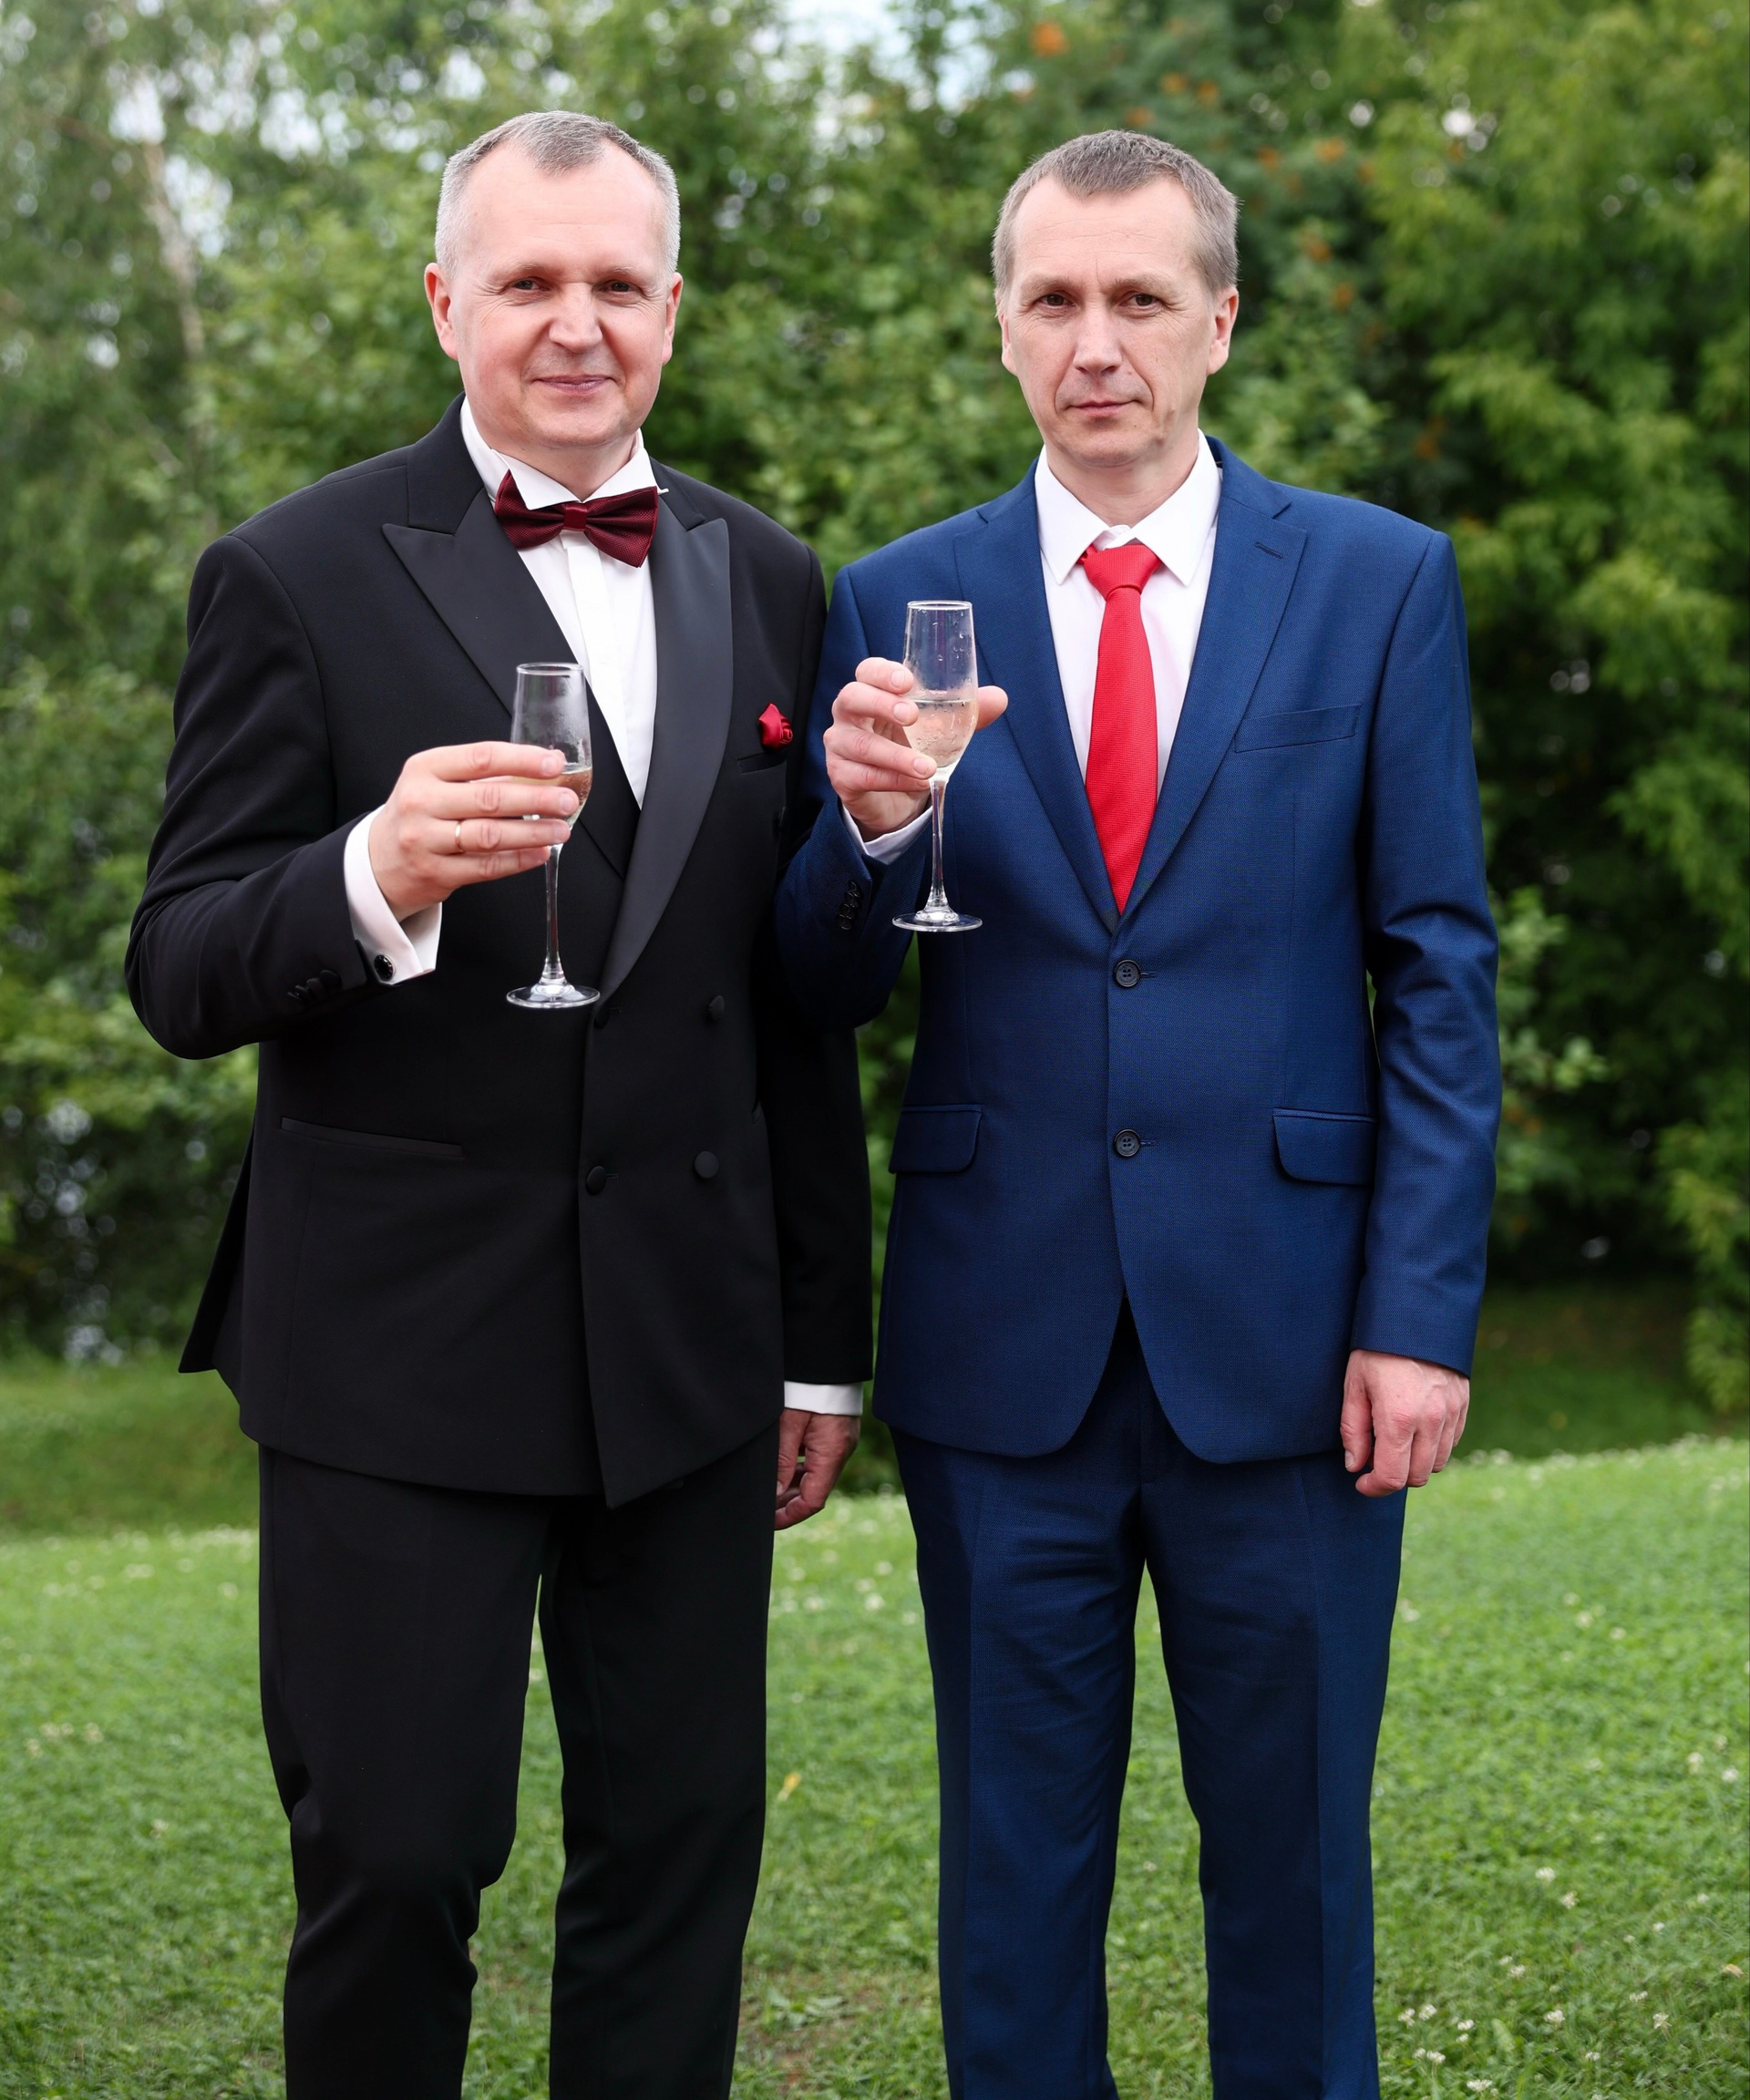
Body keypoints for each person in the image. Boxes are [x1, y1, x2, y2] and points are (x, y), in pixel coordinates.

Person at [126, 110, 870, 2100]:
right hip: (397, 1350)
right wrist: (368, 872)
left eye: (617, 282)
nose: (575, 322)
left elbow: (785, 1007)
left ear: (673, 310)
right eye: (530, 279)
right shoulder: (289, 572)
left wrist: (818, 1340)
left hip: (689, 1346)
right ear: (447, 301)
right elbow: (180, 966)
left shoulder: (769, 573)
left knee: (680, 1855)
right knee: (393, 1860)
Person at [775, 128, 1499, 2100]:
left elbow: (1438, 969)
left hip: (1295, 1345)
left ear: (1221, 322)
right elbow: (818, 985)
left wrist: (1418, 1314)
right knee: (1013, 1880)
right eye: (1055, 301)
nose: (1097, 343)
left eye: (1140, 299)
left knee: (1296, 1873)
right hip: (1001, 1347)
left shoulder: (1375, 583)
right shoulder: (896, 596)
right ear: (1004, 329)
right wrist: (866, 834)